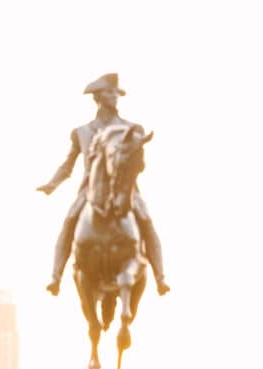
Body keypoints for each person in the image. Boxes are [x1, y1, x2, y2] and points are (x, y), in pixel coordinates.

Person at [37, 72, 170, 297]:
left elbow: (139, 163)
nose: (114, 97)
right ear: (98, 97)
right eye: (110, 93)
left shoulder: (132, 129)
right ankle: (56, 276)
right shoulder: (81, 132)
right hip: (90, 191)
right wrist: (52, 184)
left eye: (116, 93)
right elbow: (68, 165)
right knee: (69, 221)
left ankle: (160, 277)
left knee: (146, 221)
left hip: (126, 191)